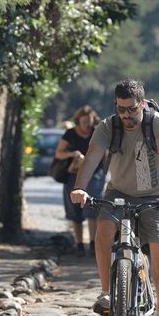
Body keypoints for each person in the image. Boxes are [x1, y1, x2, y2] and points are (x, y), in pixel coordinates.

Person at [70, 79, 159, 316]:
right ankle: (106, 293)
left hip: (156, 195)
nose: (126, 115)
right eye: (121, 109)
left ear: (142, 104)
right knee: (103, 229)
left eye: (131, 109)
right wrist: (80, 188)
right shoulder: (109, 126)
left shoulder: (158, 123)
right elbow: (92, 157)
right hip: (119, 192)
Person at [55, 105, 105, 257]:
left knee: (92, 209)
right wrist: (72, 154)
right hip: (73, 175)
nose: (86, 126)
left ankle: (93, 245)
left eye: (89, 122)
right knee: (75, 210)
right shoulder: (70, 134)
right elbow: (59, 153)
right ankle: (79, 245)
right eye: (83, 122)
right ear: (78, 120)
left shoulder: (97, 133)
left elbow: (105, 155)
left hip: (94, 175)